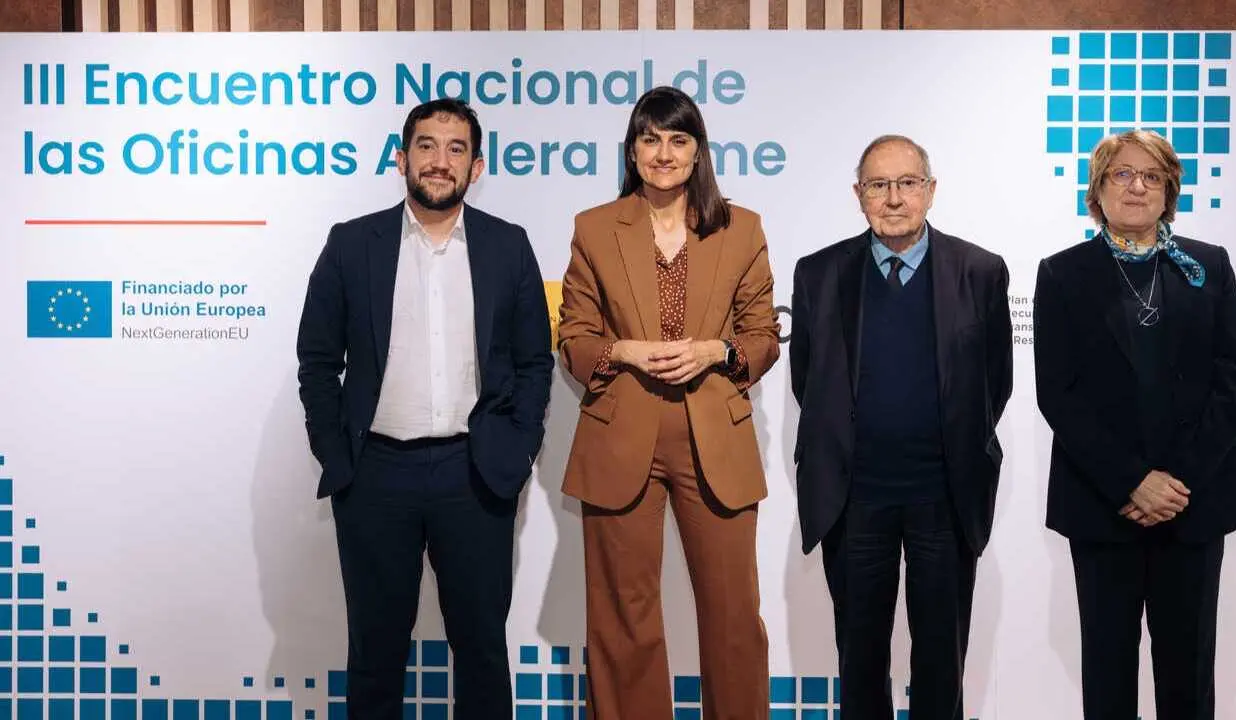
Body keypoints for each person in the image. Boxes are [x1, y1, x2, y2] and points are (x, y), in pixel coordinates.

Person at [296, 98, 553, 720]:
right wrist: (339, 455)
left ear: (477, 165)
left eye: (456, 149)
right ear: (402, 158)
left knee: (483, 653)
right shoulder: (352, 243)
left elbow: (533, 362)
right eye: (428, 146)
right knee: (376, 655)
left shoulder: (508, 245)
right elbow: (318, 359)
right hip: (377, 475)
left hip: (475, 472)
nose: (441, 162)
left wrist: (516, 449)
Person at [556, 85, 780, 720]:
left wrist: (715, 352)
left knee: (734, 616)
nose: (663, 153)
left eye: (678, 139)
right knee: (622, 617)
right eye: (649, 139)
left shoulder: (743, 229)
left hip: (715, 436)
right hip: (620, 435)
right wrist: (622, 351)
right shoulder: (594, 228)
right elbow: (573, 338)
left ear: (699, 151)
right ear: (632, 150)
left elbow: (763, 338)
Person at [1033, 129, 1236, 720]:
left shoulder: (1208, 266)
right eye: (1122, 174)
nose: (1137, 186)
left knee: (1188, 678)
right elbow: (1057, 395)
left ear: (1169, 192)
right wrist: (1132, 480)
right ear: (1097, 190)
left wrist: (1174, 482)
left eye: (1151, 176)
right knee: (1107, 677)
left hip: (1194, 503)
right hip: (1103, 505)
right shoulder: (1061, 274)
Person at [790, 135, 1013, 720]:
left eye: (907, 183)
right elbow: (808, 381)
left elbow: (996, 384)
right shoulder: (818, 274)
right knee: (859, 660)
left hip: (944, 497)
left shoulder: (980, 272)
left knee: (942, 659)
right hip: (855, 500)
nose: (894, 198)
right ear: (858, 194)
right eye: (878, 185)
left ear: (930, 191)